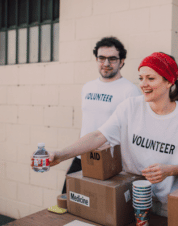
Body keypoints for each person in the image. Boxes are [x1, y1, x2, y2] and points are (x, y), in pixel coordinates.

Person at [46, 52, 178, 216]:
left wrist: (169, 170)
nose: (143, 84)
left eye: (151, 78)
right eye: (141, 78)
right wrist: (60, 155)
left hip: (167, 206)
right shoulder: (130, 107)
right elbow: (99, 136)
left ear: (169, 82)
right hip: (130, 199)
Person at [61, 37, 141, 194]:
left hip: (109, 161)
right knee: (67, 199)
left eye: (112, 59)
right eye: (101, 58)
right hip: (82, 155)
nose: (106, 63)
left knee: (99, 207)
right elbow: (87, 122)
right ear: (96, 59)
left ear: (122, 61)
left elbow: (133, 131)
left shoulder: (130, 91)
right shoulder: (88, 87)